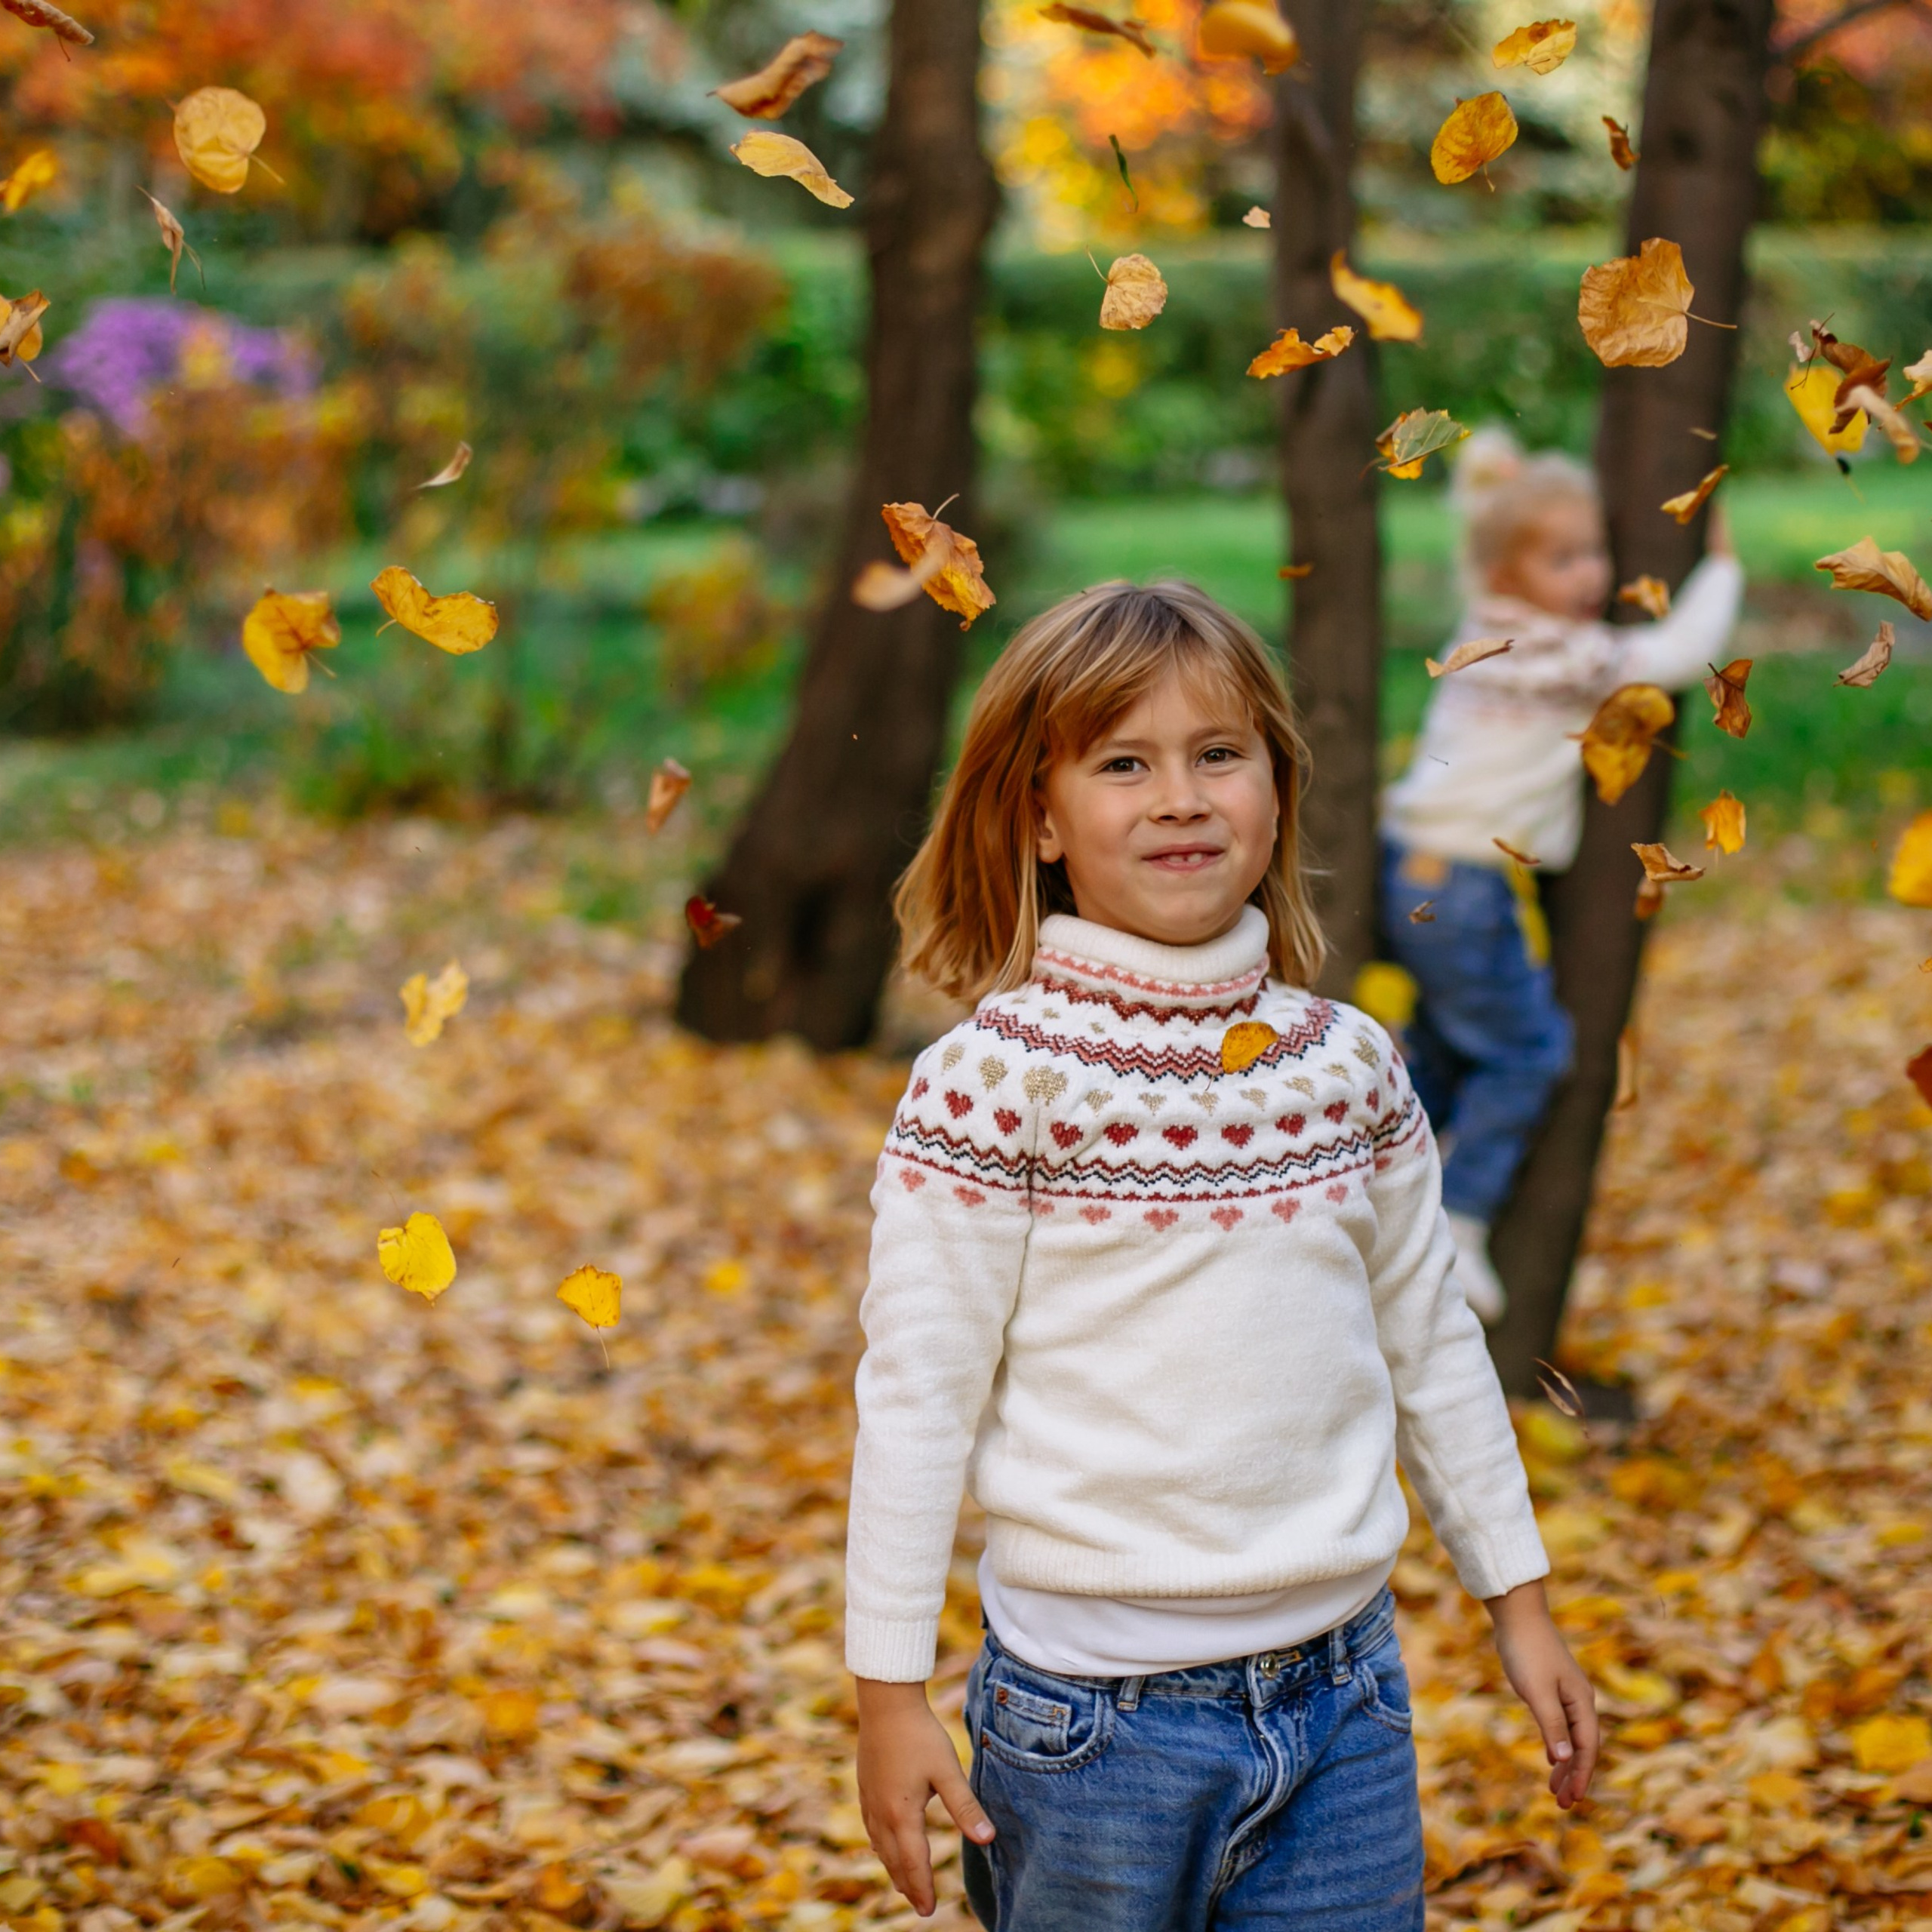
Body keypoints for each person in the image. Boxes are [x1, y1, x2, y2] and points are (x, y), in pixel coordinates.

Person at [847, 580, 1598, 1931]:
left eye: (1219, 755)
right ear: (1039, 814)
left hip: (1346, 1703)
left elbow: (1431, 1343)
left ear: (1275, 785)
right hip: (1090, 1735)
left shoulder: (1349, 1064)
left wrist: (1519, 1600)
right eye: (1123, 764)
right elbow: (918, 1400)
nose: (1181, 797)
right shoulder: (993, 1084)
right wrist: (887, 1693)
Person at [1380, 429, 1743, 1325]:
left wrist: (1485, 485)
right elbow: (1671, 654)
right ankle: (1458, 1221)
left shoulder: (1483, 626)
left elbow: (1478, 535)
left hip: (1407, 868)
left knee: (1447, 1047)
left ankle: (1384, 1189)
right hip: (1462, 887)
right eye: (1562, 559)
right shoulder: (1563, 656)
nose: (1588, 578)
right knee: (1530, 1052)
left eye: (1593, 555)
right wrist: (1723, 566)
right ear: (1508, 574)